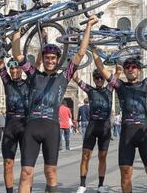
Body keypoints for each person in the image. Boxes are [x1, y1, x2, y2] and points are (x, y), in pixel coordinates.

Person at [14, 15, 98, 193]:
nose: (50, 61)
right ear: (43, 59)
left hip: (52, 128)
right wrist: (16, 29)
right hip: (32, 127)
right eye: (47, 58)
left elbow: (81, 53)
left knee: (51, 172)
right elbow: (18, 55)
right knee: (25, 173)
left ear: (58, 60)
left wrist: (88, 26)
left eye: (53, 58)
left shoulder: (63, 77)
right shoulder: (33, 74)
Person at [92, 41, 147, 192]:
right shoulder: (120, 86)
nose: (130, 69)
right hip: (127, 136)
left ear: (139, 70)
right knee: (126, 173)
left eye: (134, 67)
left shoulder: (146, 84)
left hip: (144, 135)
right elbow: (101, 69)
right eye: (127, 67)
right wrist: (94, 50)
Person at [73, 66, 121, 193]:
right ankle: (82, 185)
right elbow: (76, 80)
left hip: (105, 127)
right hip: (92, 126)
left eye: (101, 77)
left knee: (102, 156)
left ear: (104, 79)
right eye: (97, 78)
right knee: (85, 156)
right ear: (94, 79)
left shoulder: (110, 88)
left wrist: (118, 67)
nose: (99, 80)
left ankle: (101, 185)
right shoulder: (90, 90)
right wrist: (74, 69)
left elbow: (117, 74)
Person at [0, 50, 30, 193]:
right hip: (10, 126)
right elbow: (0, 65)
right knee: (7, 163)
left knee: (27, 165)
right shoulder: (7, 83)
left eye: (17, 67)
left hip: (25, 125)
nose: (14, 70)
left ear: (21, 69)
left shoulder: (29, 82)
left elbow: (37, 65)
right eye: (11, 68)